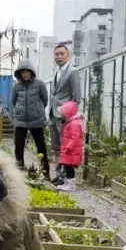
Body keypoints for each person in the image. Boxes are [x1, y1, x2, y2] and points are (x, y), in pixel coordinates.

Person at [47, 44, 83, 183]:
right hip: (53, 114)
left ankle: (65, 177)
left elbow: (77, 97)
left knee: (65, 147)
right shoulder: (57, 71)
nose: (59, 56)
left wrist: (69, 115)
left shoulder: (72, 72)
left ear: (68, 55)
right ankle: (59, 174)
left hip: (64, 117)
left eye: (62, 54)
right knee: (56, 147)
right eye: (57, 54)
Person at [10, 59, 49, 172]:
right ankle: (19, 170)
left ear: (31, 72)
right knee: (19, 147)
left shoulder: (39, 84)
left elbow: (44, 100)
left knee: (41, 147)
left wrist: (37, 111)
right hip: (20, 121)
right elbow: (14, 101)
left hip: (36, 121)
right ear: (19, 73)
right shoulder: (16, 87)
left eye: (27, 71)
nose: (25, 74)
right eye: (22, 71)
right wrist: (19, 112)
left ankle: (45, 172)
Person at [57, 101, 84, 192]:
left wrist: (68, 147)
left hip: (71, 151)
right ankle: (67, 183)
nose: (62, 116)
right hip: (68, 151)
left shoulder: (74, 124)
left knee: (69, 168)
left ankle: (71, 185)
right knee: (67, 166)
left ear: (68, 114)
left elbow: (75, 138)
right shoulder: (71, 123)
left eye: (63, 114)